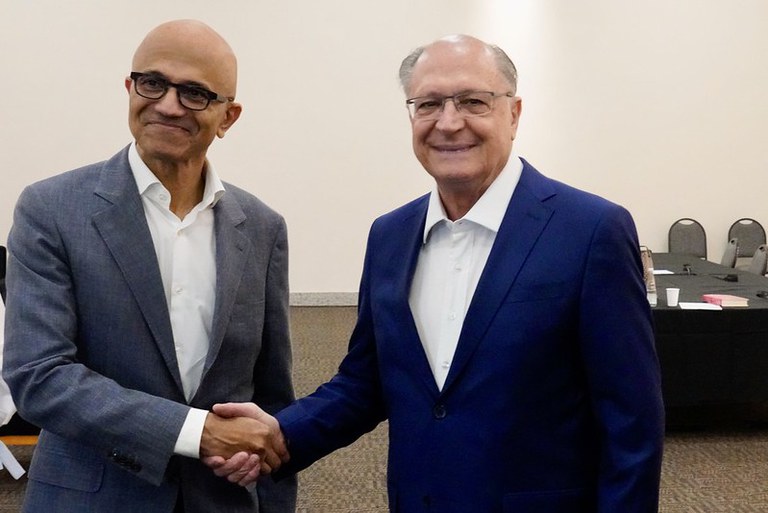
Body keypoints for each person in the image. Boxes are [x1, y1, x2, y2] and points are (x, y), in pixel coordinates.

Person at [212, 34, 665, 512]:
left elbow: (632, 422)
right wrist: (283, 433)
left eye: (473, 101)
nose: (449, 123)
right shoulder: (389, 235)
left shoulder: (590, 231)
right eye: (428, 104)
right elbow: (367, 381)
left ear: (513, 114)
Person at [3, 20, 296, 513]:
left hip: (223, 500)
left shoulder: (263, 228)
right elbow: (39, 375)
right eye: (153, 83)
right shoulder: (51, 210)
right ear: (130, 88)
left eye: (195, 93)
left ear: (228, 117)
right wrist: (196, 431)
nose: (168, 105)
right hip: (92, 500)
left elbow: (272, 395)